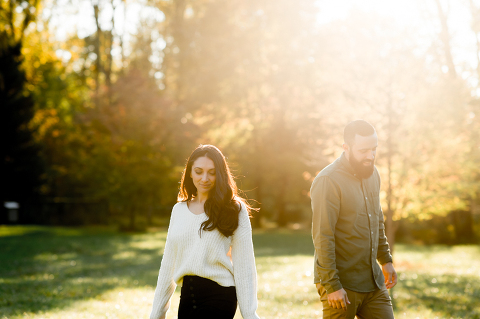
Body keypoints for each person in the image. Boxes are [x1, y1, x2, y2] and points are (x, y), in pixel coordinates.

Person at [150, 144, 261, 319]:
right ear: (190, 173)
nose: (205, 178)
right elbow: (168, 263)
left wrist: (249, 314)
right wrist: (157, 313)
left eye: (212, 172)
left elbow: (244, 264)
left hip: (220, 296)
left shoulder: (233, 209)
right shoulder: (178, 210)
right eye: (199, 171)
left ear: (220, 174)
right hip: (187, 296)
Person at [310, 120, 397, 319]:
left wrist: (385, 260)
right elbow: (323, 236)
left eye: (374, 149)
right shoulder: (328, 181)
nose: (371, 156)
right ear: (346, 148)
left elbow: (377, 219)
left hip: (373, 282)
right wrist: (332, 286)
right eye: (363, 150)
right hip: (340, 284)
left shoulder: (373, 173)